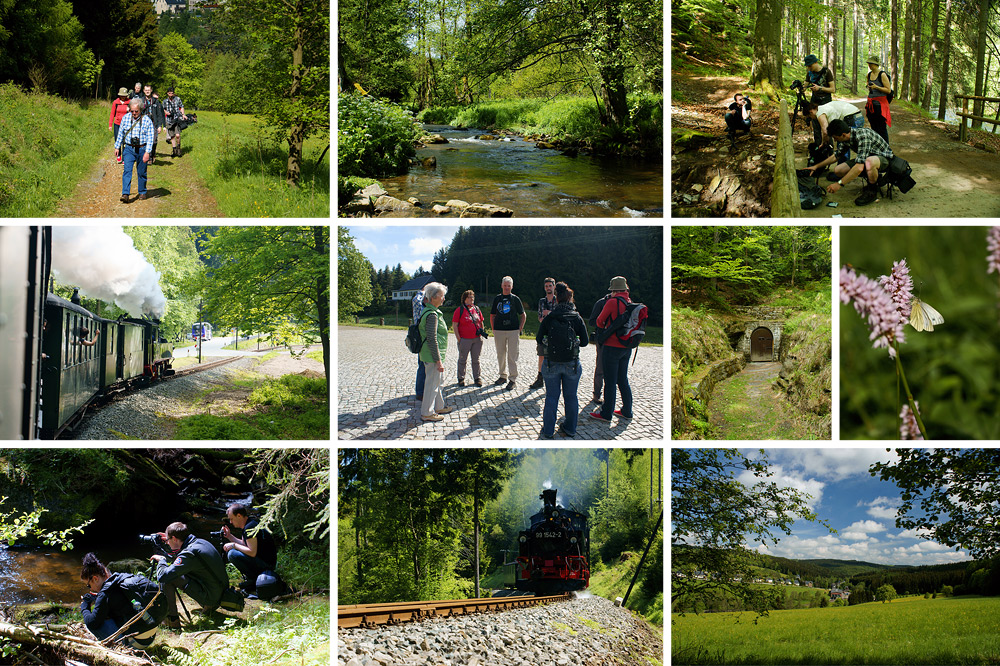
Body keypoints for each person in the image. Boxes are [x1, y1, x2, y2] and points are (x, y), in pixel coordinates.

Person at [536, 281, 589, 438]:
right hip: (571, 363)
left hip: (551, 362)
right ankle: (571, 428)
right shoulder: (576, 317)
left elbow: (539, 338)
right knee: (571, 397)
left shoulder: (551, 317)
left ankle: (548, 430)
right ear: (570, 299)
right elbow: (585, 342)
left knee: (551, 396)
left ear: (557, 299)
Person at [151, 522, 228, 629]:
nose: (167, 543)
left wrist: (162, 560)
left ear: (174, 538)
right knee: (174, 573)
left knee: (167, 579)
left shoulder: (189, 553)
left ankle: (172, 620)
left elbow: (164, 576)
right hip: (220, 591)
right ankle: (209, 606)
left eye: (168, 540)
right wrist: (169, 538)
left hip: (213, 597)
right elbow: (182, 559)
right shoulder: (200, 542)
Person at [80, 552, 165, 648]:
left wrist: (85, 605)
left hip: (137, 643)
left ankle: (121, 646)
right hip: (150, 636)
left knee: (93, 623)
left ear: (95, 579)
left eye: (89, 585)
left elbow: (91, 623)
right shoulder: (121, 578)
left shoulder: (105, 594)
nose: (90, 589)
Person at [804, 118, 895, 206]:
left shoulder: (863, 136)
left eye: (835, 138)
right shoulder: (847, 137)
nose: (835, 140)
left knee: (869, 162)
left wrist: (839, 184)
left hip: (884, 159)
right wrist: (816, 166)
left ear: (843, 134)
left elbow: (859, 167)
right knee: (839, 170)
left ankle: (872, 189)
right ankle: (872, 176)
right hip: (867, 158)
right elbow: (836, 156)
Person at [590, 276, 634, 423]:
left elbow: (599, 321)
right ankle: (627, 410)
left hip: (612, 346)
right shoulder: (630, 303)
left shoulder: (612, 302)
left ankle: (606, 413)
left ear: (614, 290)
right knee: (623, 379)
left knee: (609, 381)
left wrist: (606, 328)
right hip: (626, 347)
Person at [221, 504, 277, 597]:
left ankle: (253, 580)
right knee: (233, 551)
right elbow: (244, 544)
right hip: (264, 561)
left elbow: (252, 552)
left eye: (231, 519)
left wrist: (233, 545)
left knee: (232, 554)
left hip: (267, 565)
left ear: (239, 516)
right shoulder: (249, 523)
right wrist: (229, 536)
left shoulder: (249, 527)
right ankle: (252, 579)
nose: (230, 522)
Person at [418, 282, 454, 422]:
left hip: (433, 354)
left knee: (438, 382)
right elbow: (432, 339)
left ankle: (439, 406)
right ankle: (427, 412)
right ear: (433, 297)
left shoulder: (430, 311)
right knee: (432, 384)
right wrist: (438, 360)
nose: (443, 298)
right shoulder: (432, 314)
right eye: (441, 295)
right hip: (432, 355)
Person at [114, 97, 155, 204]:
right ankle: (125, 194)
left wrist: (147, 152)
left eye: (136, 111)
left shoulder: (147, 120)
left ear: (141, 110)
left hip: (142, 149)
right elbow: (121, 133)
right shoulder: (126, 118)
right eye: (132, 111)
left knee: (141, 172)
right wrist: (117, 146)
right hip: (128, 148)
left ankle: (142, 191)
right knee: (127, 171)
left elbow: (151, 138)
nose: (134, 113)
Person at [801, 99, 865, 164]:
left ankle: (844, 168)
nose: (812, 118)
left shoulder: (820, 113)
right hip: (858, 116)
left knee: (842, 141)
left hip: (851, 118)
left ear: (811, 112)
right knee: (855, 142)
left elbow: (825, 131)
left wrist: (823, 143)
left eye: (809, 116)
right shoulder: (823, 108)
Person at [490, 276, 526, 391]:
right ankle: (502, 376)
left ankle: (512, 379)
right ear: (501, 286)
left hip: (513, 331)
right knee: (500, 354)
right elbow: (492, 315)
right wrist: (493, 329)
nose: (506, 287)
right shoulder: (497, 299)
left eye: (508, 286)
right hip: (499, 330)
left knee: (512, 355)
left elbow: (523, 315)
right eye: (505, 285)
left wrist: (520, 328)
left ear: (512, 286)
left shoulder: (515, 299)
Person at [451, 289, 485, 387]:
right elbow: (455, 325)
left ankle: (477, 378)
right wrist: (459, 339)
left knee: (476, 359)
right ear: (464, 299)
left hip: (477, 339)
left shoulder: (477, 309)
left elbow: (481, 321)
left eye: (472, 297)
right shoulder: (459, 310)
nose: (472, 299)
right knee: (462, 359)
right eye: (469, 297)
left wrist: (481, 333)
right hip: (464, 339)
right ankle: (461, 378)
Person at [529, 278, 557, 390]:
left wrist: (549, 314)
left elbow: (560, 315)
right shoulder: (542, 301)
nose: (548, 288)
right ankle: (540, 378)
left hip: (556, 332)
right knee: (541, 354)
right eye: (546, 286)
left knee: (554, 356)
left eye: (550, 286)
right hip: (544, 331)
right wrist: (549, 316)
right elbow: (540, 317)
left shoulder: (559, 300)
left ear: (554, 287)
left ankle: (554, 379)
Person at [804, 55, 836, 147]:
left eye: (810, 66)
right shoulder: (809, 73)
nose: (809, 68)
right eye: (808, 66)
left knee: (826, 125)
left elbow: (832, 89)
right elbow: (805, 85)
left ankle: (829, 146)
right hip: (814, 101)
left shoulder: (826, 72)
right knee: (815, 124)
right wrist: (800, 86)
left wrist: (820, 88)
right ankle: (819, 146)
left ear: (815, 62)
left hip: (826, 101)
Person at [588, 290, 612, 405]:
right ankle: (596, 394)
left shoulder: (624, 302)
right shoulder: (601, 303)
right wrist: (604, 323)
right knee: (600, 368)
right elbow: (592, 321)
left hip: (617, 341)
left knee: (613, 371)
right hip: (602, 339)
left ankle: (610, 396)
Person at [865, 56, 892, 144]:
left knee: (881, 128)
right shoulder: (869, 75)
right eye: (869, 64)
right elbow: (868, 84)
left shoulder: (882, 75)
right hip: (871, 105)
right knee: (874, 127)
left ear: (875, 64)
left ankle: (886, 148)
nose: (869, 65)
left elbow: (888, 90)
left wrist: (876, 87)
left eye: (871, 64)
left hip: (880, 106)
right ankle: (877, 145)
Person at [141, 84, 166, 164]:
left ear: (151, 90)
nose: (147, 91)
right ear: (144, 91)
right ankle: (148, 157)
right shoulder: (141, 101)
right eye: (146, 90)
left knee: (154, 141)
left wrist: (159, 125)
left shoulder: (156, 101)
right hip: (144, 123)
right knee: (145, 140)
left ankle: (152, 154)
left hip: (153, 123)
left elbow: (159, 114)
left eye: (149, 90)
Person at [162, 86, 188, 157]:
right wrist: (166, 112)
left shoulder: (177, 99)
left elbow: (182, 106)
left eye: (172, 93)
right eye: (169, 93)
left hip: (177, 119)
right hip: (169, 120)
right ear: (167, 93)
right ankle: (174, 150)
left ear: (173, 93)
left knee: (177, 135)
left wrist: (183, 114)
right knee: (172, 136)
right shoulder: (165, 101)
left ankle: (179, 148)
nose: (171, 94)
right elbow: (163, 109)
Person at [412, 287, 427, 402]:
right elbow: (416, 300)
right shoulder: (419, 302)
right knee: (422, 365)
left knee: (425, 365)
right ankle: (420, 392)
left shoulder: (424, 305)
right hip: (422, 338)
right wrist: (423, 292)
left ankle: (423, 390)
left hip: (425, 337)